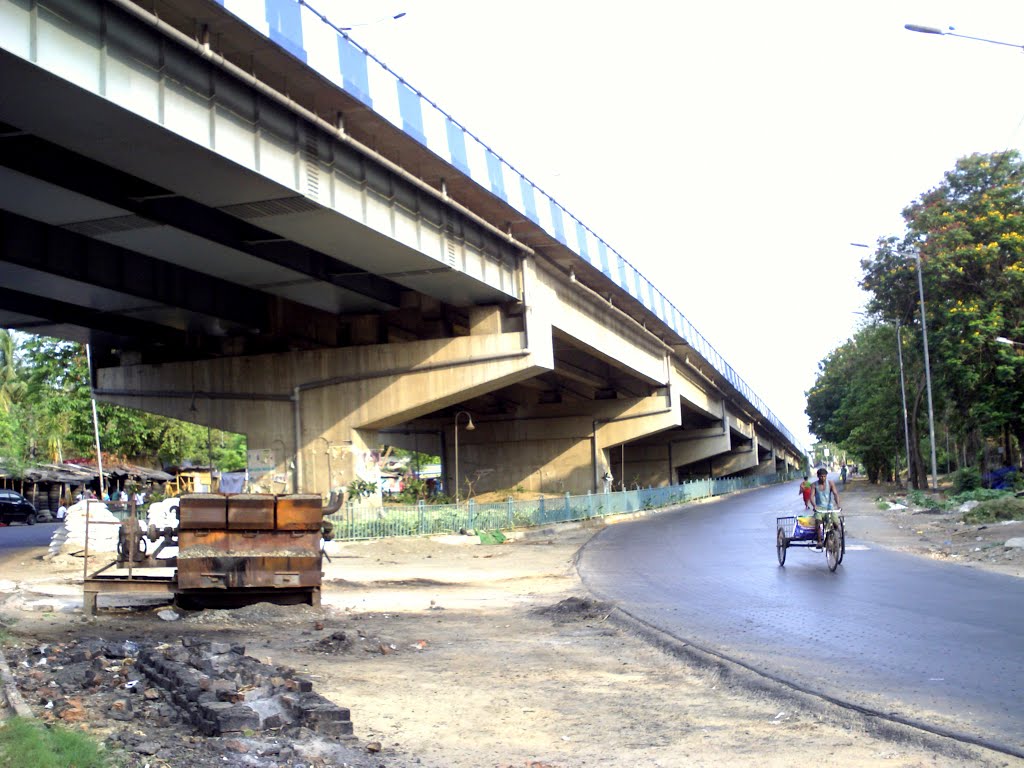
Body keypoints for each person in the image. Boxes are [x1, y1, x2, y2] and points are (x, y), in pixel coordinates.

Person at [811, 467, 841, 547]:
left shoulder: (830, 483)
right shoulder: (814, 485)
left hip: (829, 507)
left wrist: (838, 505)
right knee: (818, 522)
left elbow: (835, 494)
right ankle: (819, 541)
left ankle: (837, 537)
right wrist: (814, 506)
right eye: (821, 476)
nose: (823, 478)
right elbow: (811, 497)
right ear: (818, 476)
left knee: (835, 523)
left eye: (824, 476)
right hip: (819, 508)